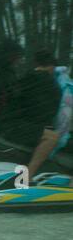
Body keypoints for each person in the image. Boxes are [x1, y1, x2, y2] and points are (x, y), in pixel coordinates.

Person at [24, 48, 73, 176]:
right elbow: (63, 115)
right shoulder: (61, 84)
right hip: (52, 131)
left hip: (33, 126)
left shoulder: (31, 79)